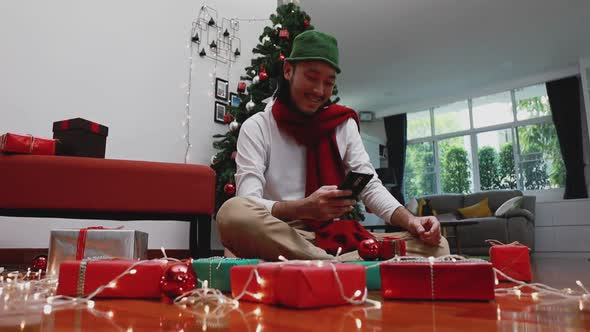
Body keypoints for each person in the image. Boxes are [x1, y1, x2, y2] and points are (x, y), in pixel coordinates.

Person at [216, 30, 449, 261]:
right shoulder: (257, 127)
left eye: (328, 83)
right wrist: (302, 208)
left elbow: (370, 186)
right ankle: (341, 266)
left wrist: (412, 221)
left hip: (333, 238)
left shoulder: (342, 124)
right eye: (311, 77)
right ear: (288, 70)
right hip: (282, 235)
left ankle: (326, 266)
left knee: (438, 246)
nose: (319, 91)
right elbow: (248, 201)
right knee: (232, 213)